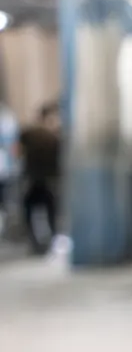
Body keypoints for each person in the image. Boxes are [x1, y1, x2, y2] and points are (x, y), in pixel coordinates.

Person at [16, 102, 60, 254]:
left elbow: (17, 151)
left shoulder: (29, 133)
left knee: (30, 208)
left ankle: (35, 241)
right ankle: (52, 238)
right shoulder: (53, 136)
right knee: (50, 209)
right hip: (48, 180)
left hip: (33, 178)